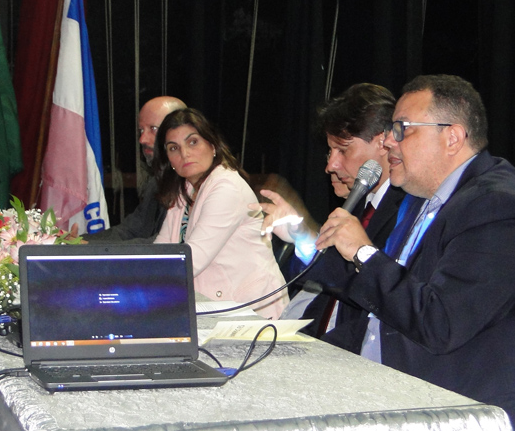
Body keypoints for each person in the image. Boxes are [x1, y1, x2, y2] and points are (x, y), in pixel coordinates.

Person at [314, 74, 515, 431]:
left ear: (452, 138)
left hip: (464, 423)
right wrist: (312, 355)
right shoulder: (425, 202)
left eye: (401, 129)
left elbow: (439, 322)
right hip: (400, 393)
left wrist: (364, 252)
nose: (389, 141)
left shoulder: (500, 208)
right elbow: (388, 313)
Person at [254, 83, 406, 337]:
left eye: (343, 150)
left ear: (383, 143)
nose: (330, 165)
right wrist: (298, 236)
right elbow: (316, 279)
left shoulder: (406, 209)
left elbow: (369, 292)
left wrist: (304, 237)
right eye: (330, 151)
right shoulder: (359, 204)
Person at [153, 108, 289, 318]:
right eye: (173, 148)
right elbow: (161, 250)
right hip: (215, 308)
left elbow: (192, 260)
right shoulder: (185, 190)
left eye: (193, 142)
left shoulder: (227, 187)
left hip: (253, 313)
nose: (184, 154)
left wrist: (134, 279)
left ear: (213, 145)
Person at [84, 96, 186, 242]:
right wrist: (74, 243)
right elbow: (130, 231)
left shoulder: (196, 183)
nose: (142, 139)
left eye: (153, 129)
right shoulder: (158, 182)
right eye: (141, 130)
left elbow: (167, 245)